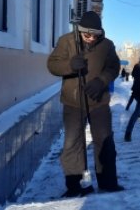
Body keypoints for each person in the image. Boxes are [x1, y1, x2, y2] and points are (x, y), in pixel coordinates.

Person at [47, 11, 124, 197]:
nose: (90, 38)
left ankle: (108, 183)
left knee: (105, 142)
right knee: (73, 143)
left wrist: (102, 81)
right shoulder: (67, 41)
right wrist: (70, 65)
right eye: (86, 35)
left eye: (94, 35)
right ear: (79, 30)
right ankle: (75, 186)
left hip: (99, 102)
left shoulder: (107, 45)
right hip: (73, 102)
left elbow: (114, 67)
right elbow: (52, 65)